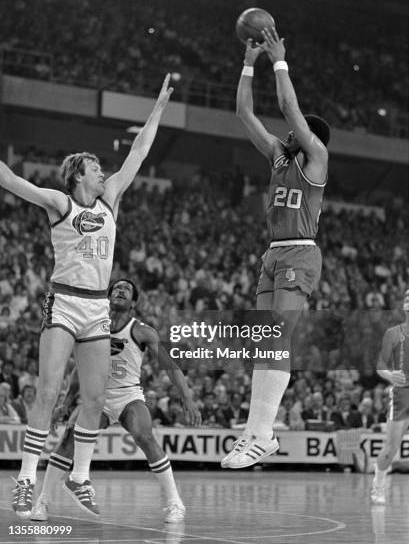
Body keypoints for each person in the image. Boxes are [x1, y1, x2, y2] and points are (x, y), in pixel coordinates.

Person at [0, 74, 173, 517]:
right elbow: (12, 180)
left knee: (94, 398)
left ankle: (79, 475)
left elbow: (139, 152)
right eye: (96, 168)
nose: (104, 172)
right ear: (79, 175)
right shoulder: (61, 203)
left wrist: (158, 109)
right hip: (64, 301)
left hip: (96, 306)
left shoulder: (111, 199)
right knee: (49, 391)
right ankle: (24, 479)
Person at [221, 27, 330, 468]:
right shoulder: (279, 158)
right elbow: (244, 114)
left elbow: (289, 105)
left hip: (301, 253)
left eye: (294, 133)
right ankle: (254, 435)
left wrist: (279, 58)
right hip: (273, 254)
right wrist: (249, 62)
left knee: (278, 337)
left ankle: (263, 434)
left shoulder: (317, 158)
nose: (286, 133)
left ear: (308, 139)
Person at [31, 278, 201, 523]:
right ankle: (42, 501)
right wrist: (67, 402)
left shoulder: (143, 331)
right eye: (117, 288)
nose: (120, 290)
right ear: (108, 297)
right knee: (68, 439)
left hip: (127, 394)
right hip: (95, 395)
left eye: (127, 289)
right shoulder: (91, 327)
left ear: (133, 303)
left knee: (145, 435)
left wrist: (188, 398)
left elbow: (171, 366)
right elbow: (80, 369)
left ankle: (175, 503)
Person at [371, 289, 409, 504]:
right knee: (390, 450)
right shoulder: (393, 333)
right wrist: (390, 375)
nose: (408, 300)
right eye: (406, 297)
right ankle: (378, 485)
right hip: (402, 394)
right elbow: (379, 366)